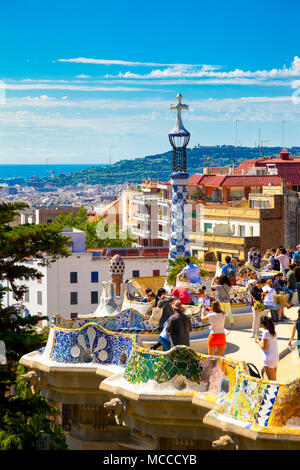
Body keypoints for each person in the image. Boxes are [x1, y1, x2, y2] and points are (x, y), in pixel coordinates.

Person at [255, 316, 279, 381]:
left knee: (271, 382)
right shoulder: (273, 331)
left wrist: (258, 342)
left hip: (268, 359)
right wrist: (261, 340)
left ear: (263, 324)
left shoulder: (266, 332)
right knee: (274, 380)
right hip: (275, 358)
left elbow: (264, 347)